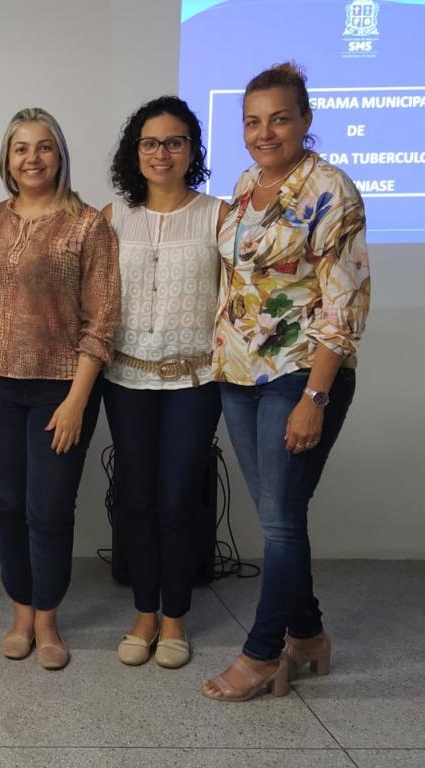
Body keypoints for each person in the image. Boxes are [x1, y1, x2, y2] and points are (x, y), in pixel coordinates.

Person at [202, 63, 370, 702]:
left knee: (277, 522)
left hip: (299, 375)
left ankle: (263, 652)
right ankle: (309, 635)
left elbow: (345, 304)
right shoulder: (247, 184)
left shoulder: (331, 190)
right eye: (252, 121)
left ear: (305, 120)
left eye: (279, 119)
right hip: (239, 372)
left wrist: (314, 398)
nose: (264, 132)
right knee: (280, 516)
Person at [0, 108, 120, 670]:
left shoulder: (88, 224)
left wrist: (77, 400)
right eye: (21, 148)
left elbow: (102, 319)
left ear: (60, 155)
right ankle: (20, 614)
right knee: (7, 503)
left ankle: (48, 621)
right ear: (7, 158)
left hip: (60, 389)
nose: (33, 158)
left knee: (48, 508)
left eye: (44, 147)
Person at [102, 96, 228, 669]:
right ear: (136, 151)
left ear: (192, 150)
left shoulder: (218, 216)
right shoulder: (113, 218)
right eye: (150, 143)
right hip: (125, 377)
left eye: (174, 142)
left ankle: (174, 617)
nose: (162, 153)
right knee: (136, 498)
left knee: (178, 499)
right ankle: (143, 613)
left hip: (194, 381)